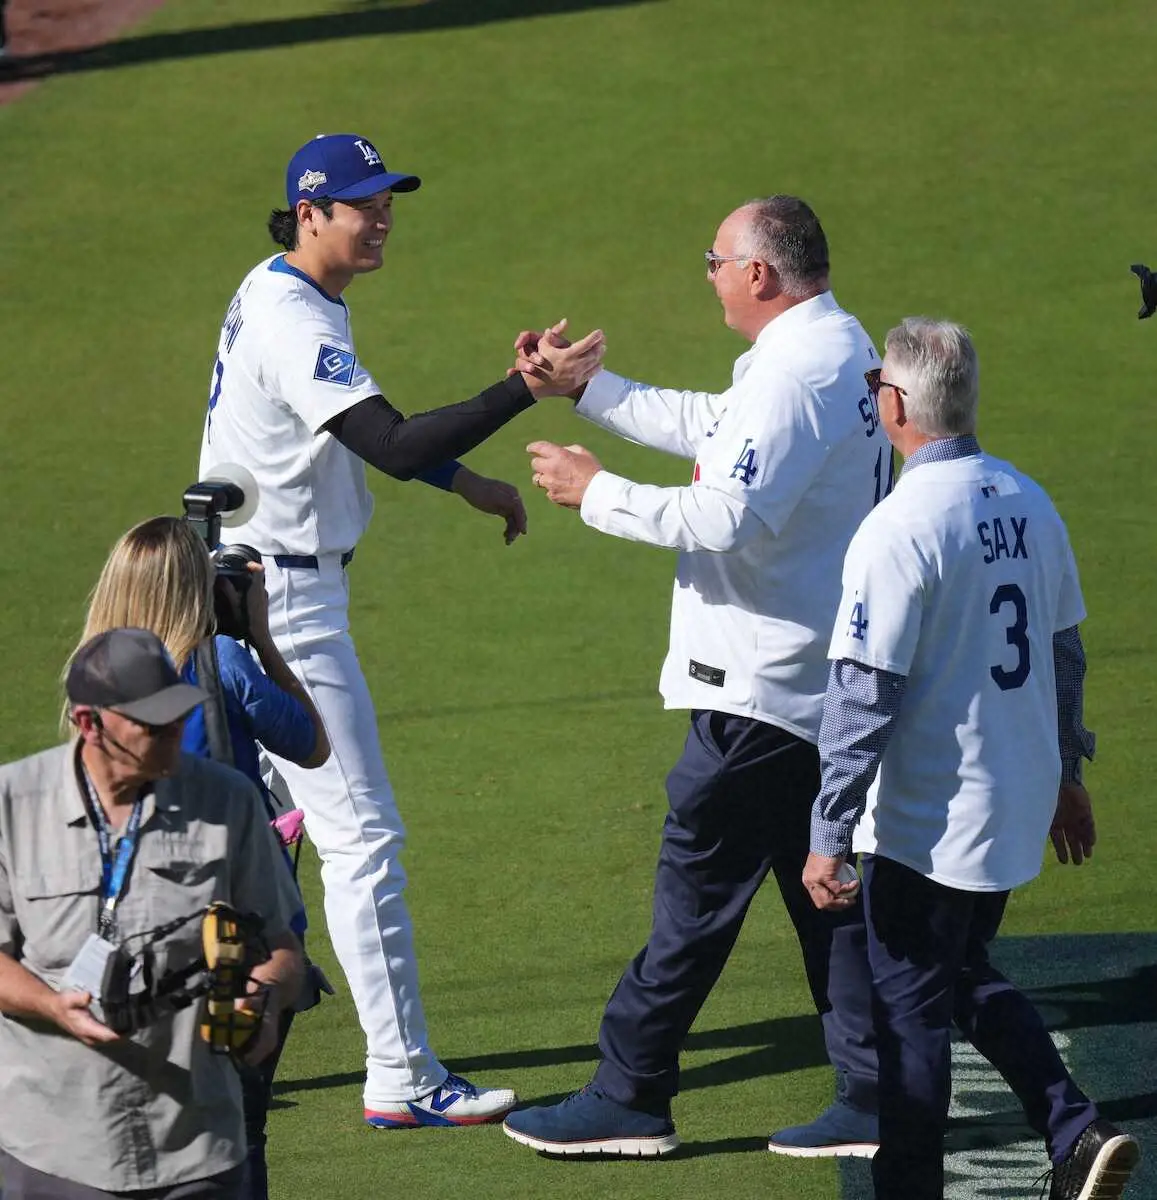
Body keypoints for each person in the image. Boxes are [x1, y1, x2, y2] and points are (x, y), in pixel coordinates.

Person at [197, 131, 604, 1128]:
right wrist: (524, 390)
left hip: (239, 590)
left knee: (245, 837)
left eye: (388, 201)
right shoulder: (295, 319)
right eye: (362, 204)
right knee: (361, 839)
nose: (382, 219)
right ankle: (402, 1076)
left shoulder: (283, 289)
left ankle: (204, 1048)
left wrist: (463, 481)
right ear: (309, 214)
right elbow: (387, 441)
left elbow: (354, 434)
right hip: (281, 613)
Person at [502, 195, 886, 1157]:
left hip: (758, 690)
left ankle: (628, 1094)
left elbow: (726, 518)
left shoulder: (795, 372)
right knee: (825, 893)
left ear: (758, 273)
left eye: (713, 261)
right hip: (815, 678)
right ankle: (878, 1093)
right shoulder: (836, 345)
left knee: (695, 900)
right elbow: (721, 426)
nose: (708, 275)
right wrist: (589, 388)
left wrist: (596, 492)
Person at [802, 318, 1140, 1199]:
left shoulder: (897, 526)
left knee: (908, 1021)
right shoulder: (1029, 499)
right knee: (955, 973)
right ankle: (1071, 1130)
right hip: (1014, 801)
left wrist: (828, 830)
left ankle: (922, 1185)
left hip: (927, 817)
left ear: (895, 403)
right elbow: (1064, 654)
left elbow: (863, 694)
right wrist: (1068, 775)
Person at [74, 515, 328, 1200]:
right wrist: (259, 635)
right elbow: (311, 744)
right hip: (237, 930)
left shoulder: (92, 679)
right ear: (199, 588)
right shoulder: (224, 662)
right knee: (241, 1131)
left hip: (131, 939)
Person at [0, 627, 304, 1199]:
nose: (176, 732)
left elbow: (282, 946)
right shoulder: (11, 805)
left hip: (194, 1146)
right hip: (54, 1149)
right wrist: (51, 1005)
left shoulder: (228, 800)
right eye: (153, 724)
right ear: (89, 724)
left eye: (180, 716)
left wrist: (262, 1000)